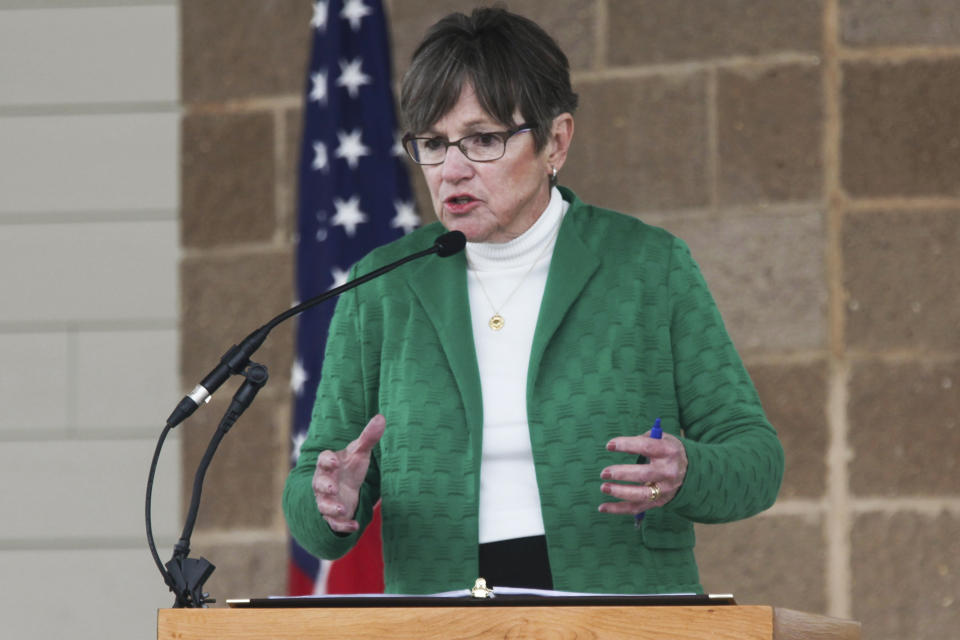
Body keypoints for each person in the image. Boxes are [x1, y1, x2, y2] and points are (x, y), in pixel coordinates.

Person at [283, 6, 783, 595]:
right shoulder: (381, 288)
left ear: (556, 141)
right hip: (442, 617)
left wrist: (688, 472)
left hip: (621, 610)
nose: (453, 169)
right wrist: (330, 502)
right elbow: (311, 488)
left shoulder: (649, 266)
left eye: (484, 139)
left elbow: (757, 460)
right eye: (434, 144)